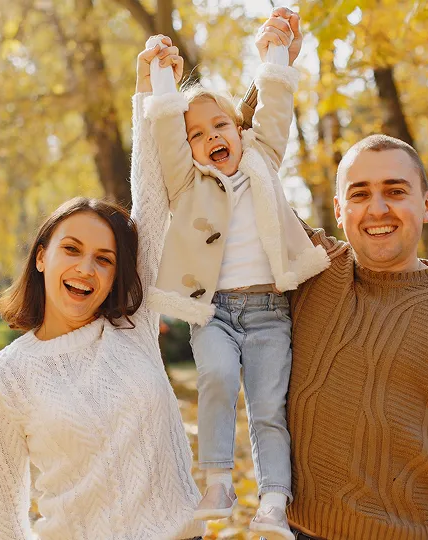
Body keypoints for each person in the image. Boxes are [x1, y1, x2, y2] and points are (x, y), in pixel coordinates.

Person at [246, 59, 428, 536]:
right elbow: (244, 166)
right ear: (340, 209)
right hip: (297, 530)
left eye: (396, 190)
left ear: (425, 205)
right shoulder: (311, 268)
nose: (379, 208)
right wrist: (275, 64)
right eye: (361, 193)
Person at [0, 53, 206, 538]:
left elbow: (151, 198)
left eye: (104, 258)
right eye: (72, 250)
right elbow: (5, 520)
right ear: (41, 257)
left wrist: (147, 90)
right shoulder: (6, 379)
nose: (86, 268)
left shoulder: (132, 327)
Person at [136, 10, 329, 539]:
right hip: (214, 311)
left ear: (239, 131)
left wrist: (275, 51)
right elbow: (166, 131)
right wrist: (159, 74)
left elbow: (276, 105)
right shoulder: (186, 183)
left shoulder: (263, 157)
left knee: (269, 406)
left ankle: (273, 500)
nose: (211, 137)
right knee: (217, 378)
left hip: (270, 311)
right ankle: (218, 479)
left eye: (220, 125)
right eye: (197, 134)